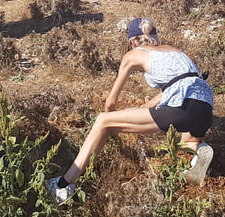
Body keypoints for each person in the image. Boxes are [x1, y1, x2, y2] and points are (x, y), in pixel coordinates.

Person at [47, 18, 214, 205]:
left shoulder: (134, 55)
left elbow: (110, 103)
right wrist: (142, 110)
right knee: (188, 140)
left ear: (133, 42)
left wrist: (111, 126)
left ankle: (63, 185)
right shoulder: (176, 51)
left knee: (103, 120)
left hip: (182, 105)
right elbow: (172, 89)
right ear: (155, 37)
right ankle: (199, 150)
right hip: (205, 106)